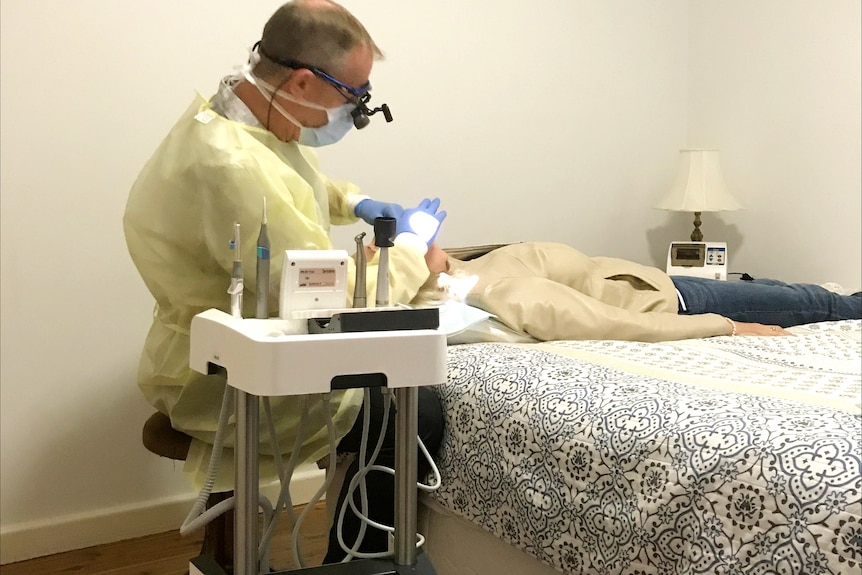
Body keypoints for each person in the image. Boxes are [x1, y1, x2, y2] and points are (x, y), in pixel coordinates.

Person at [123, 0, 447, 564]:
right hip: (228, 374)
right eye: (355, 99)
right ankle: (361, 559)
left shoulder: (233, 113)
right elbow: (320, 304)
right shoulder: (235, 170)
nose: (356, 113)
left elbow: (293, 177)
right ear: (302, 80)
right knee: (414, 412)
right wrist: (418, 257)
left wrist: (358, 202)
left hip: (197, 346)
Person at [423, 241, 862, 342]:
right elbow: (611, 322)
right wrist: (727, 327)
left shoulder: (462, 266)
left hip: (662, 283)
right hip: (679, 301)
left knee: (788, 290)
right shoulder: (491, 289)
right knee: (823, 304)